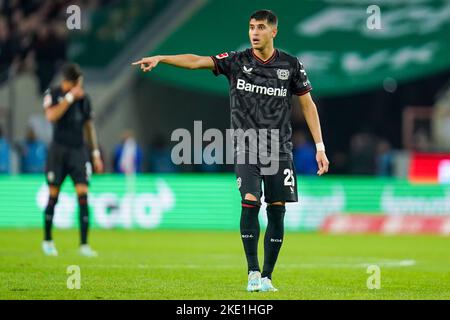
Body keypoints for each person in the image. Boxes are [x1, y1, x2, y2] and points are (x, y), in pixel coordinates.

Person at [132, 9, 329, 292]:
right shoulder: (236, 61)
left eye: (260, 27)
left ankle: (267, 277)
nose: (254, 32)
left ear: (273, 31)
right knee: (250, 200)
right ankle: (252, 271)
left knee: (277, 209)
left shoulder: (291, 65)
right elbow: (196, 62)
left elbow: (307, 105)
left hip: (279, 150)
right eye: (251, 27)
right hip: (247, 147)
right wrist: (162, 58)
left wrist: (319, 147)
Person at [42, 63, 103, 257]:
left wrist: (95, 153)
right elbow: (51, 116)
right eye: (78, 84)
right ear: (68, 83)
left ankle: (84, 245)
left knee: (83, 196)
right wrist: (68, 99)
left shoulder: (84, 100)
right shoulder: (52, 93)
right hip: (58, 152)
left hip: (78, 151)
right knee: (53, 196)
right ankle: (48, 241)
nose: (80, 88)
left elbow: (89, 127)